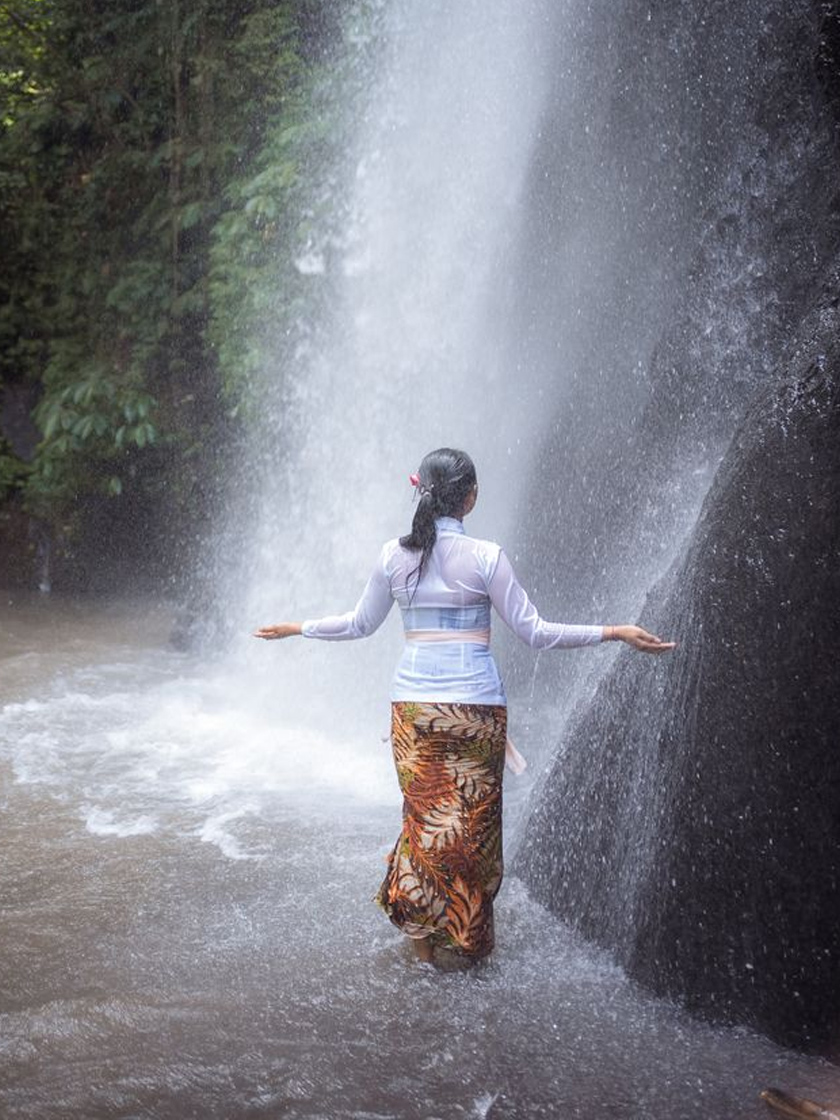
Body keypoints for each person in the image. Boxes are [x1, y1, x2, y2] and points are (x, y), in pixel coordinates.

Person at [254, 447, 674, 965]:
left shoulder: (394, 556)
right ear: (469, 498)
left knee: (423, 825)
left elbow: (358, 625)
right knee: (471, 836)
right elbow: (536, 634)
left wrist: (297, 627)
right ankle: (466, 950)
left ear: (421, 492)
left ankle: (421, 952)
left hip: (415, 714)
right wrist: (615, 632)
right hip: (476, 714)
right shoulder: (486, 558)